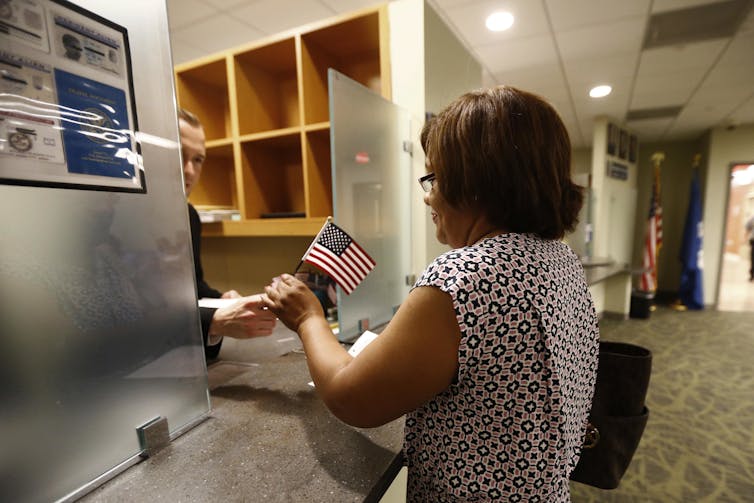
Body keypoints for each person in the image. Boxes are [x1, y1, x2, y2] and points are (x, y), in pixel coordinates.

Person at [262, 86, 600, 501]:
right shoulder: (560, 258)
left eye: (436, 177)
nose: (427, 195)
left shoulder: (466, 277)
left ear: (476, 181)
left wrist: (308, 318)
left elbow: (351, 398)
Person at [178, 108, 276, 360]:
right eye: (179, 155)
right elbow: (126, 314)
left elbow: (192, 287)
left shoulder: (188, 215)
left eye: (198, 159)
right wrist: (213, 321)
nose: (189, 171)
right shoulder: (118, 220)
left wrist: (222, 299)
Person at [746, 214, 754, 281]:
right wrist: (745, 238)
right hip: (753, 241)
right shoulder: (753, 218)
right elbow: (747, 227)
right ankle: (752, 275)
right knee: (753, 258)